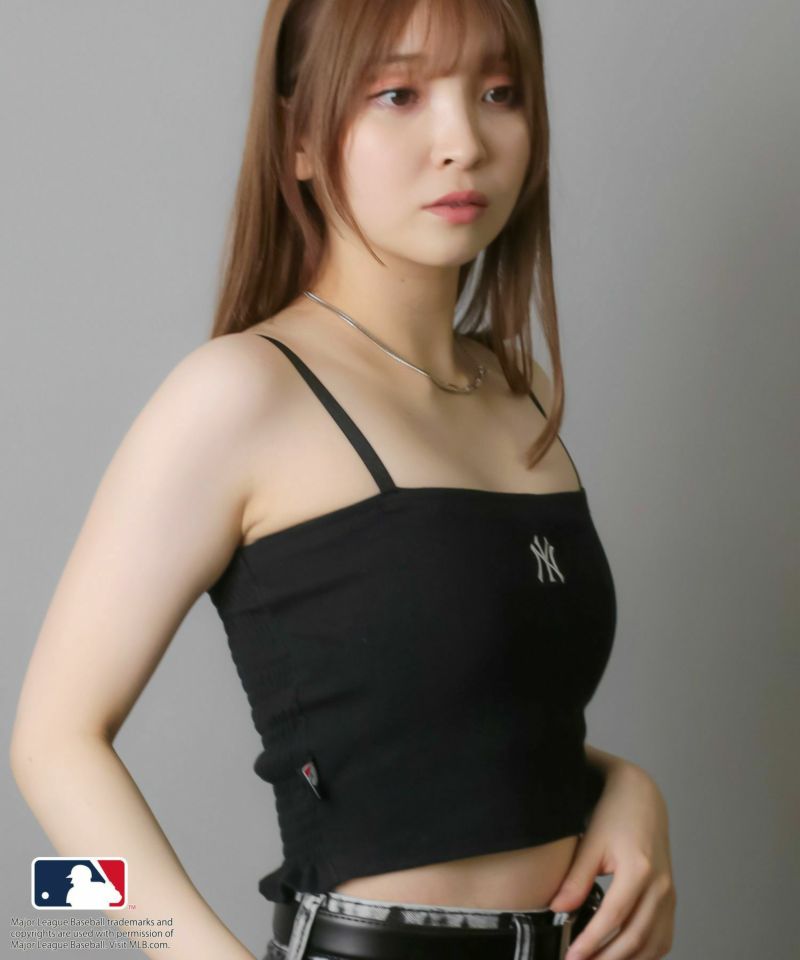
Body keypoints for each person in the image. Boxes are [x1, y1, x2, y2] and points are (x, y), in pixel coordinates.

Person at [10, 1, 676, 958]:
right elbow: (48, 746)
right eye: (398, 94)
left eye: (499, 92)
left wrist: (623, 787)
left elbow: (462, 727)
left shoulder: (515, 389)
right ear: (298, 141)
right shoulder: (241, 394)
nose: (463, 141)